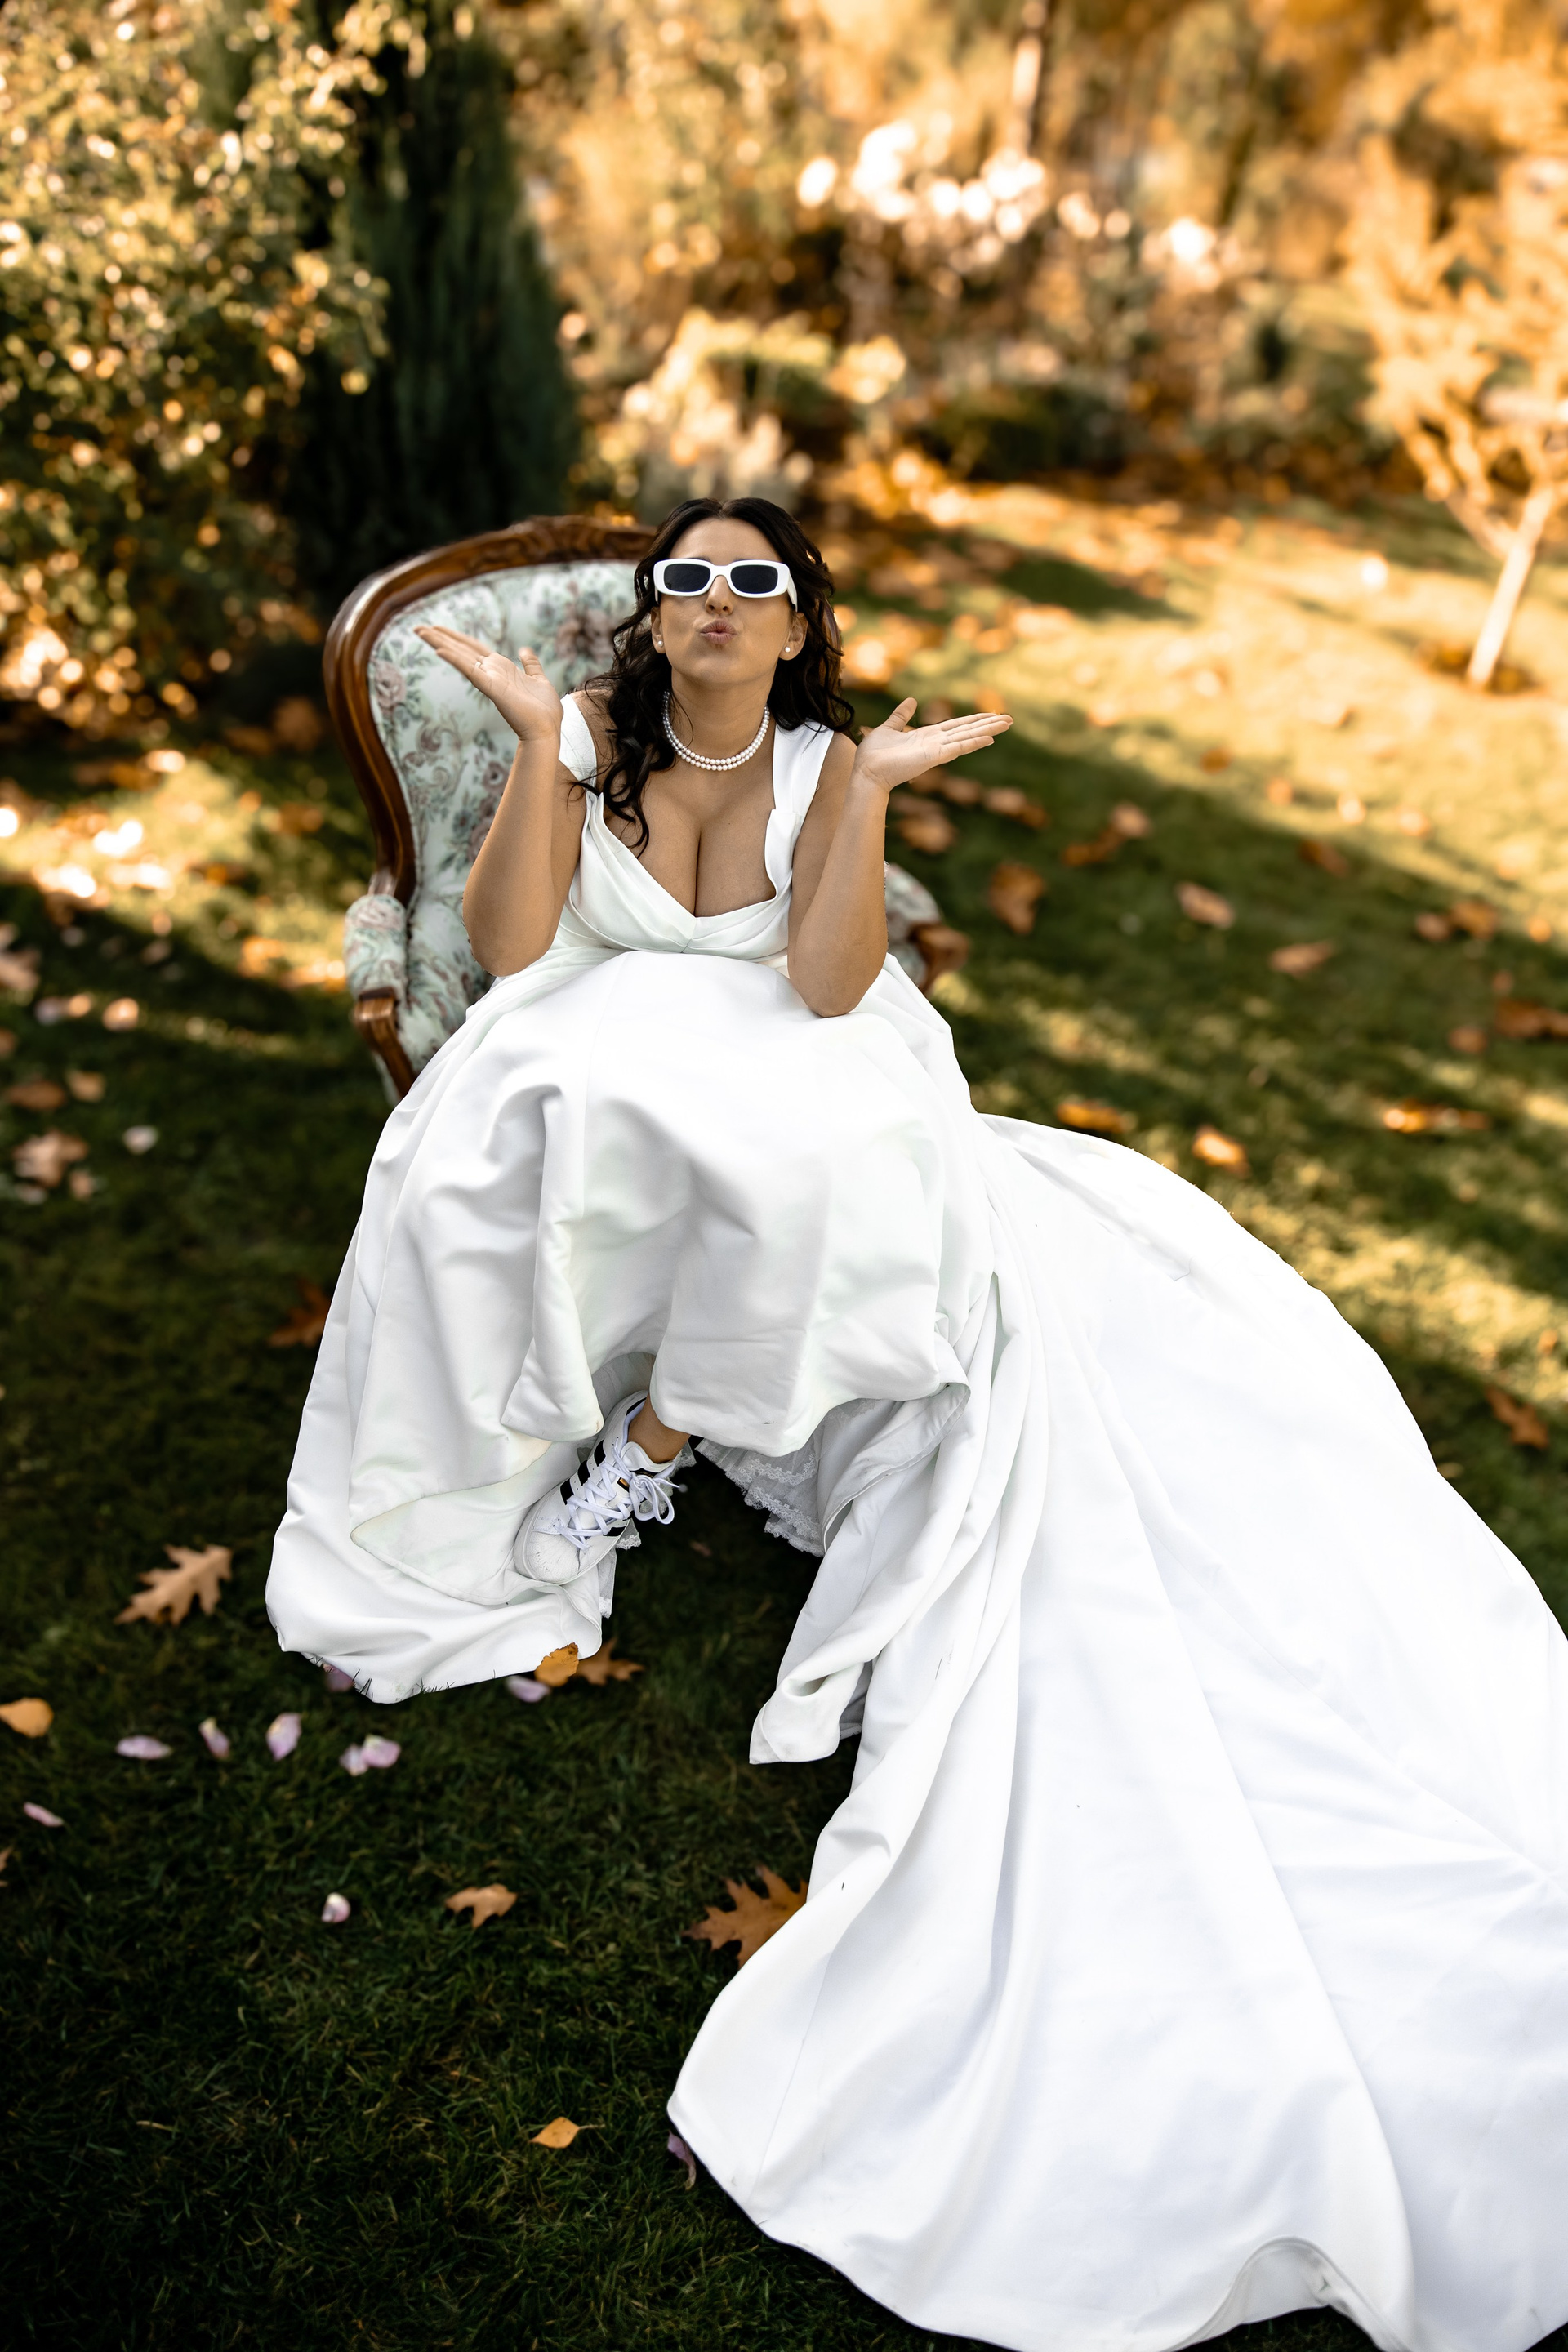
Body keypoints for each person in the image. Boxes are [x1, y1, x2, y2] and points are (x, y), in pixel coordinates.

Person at [267, 497, 1568, 2352]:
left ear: (798, 624)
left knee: (813, 1158)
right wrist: (544, 752)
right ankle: (582, 1437)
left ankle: (663, 1443)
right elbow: (512, 941)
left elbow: (823, 987)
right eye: (689, 580)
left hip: (806, 1065)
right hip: (605, 1054)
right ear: (656, 616)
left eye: (757, 582)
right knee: (533, 1129)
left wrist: (864, 795)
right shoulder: (602, 743)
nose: (719, 602)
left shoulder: (819, 768)